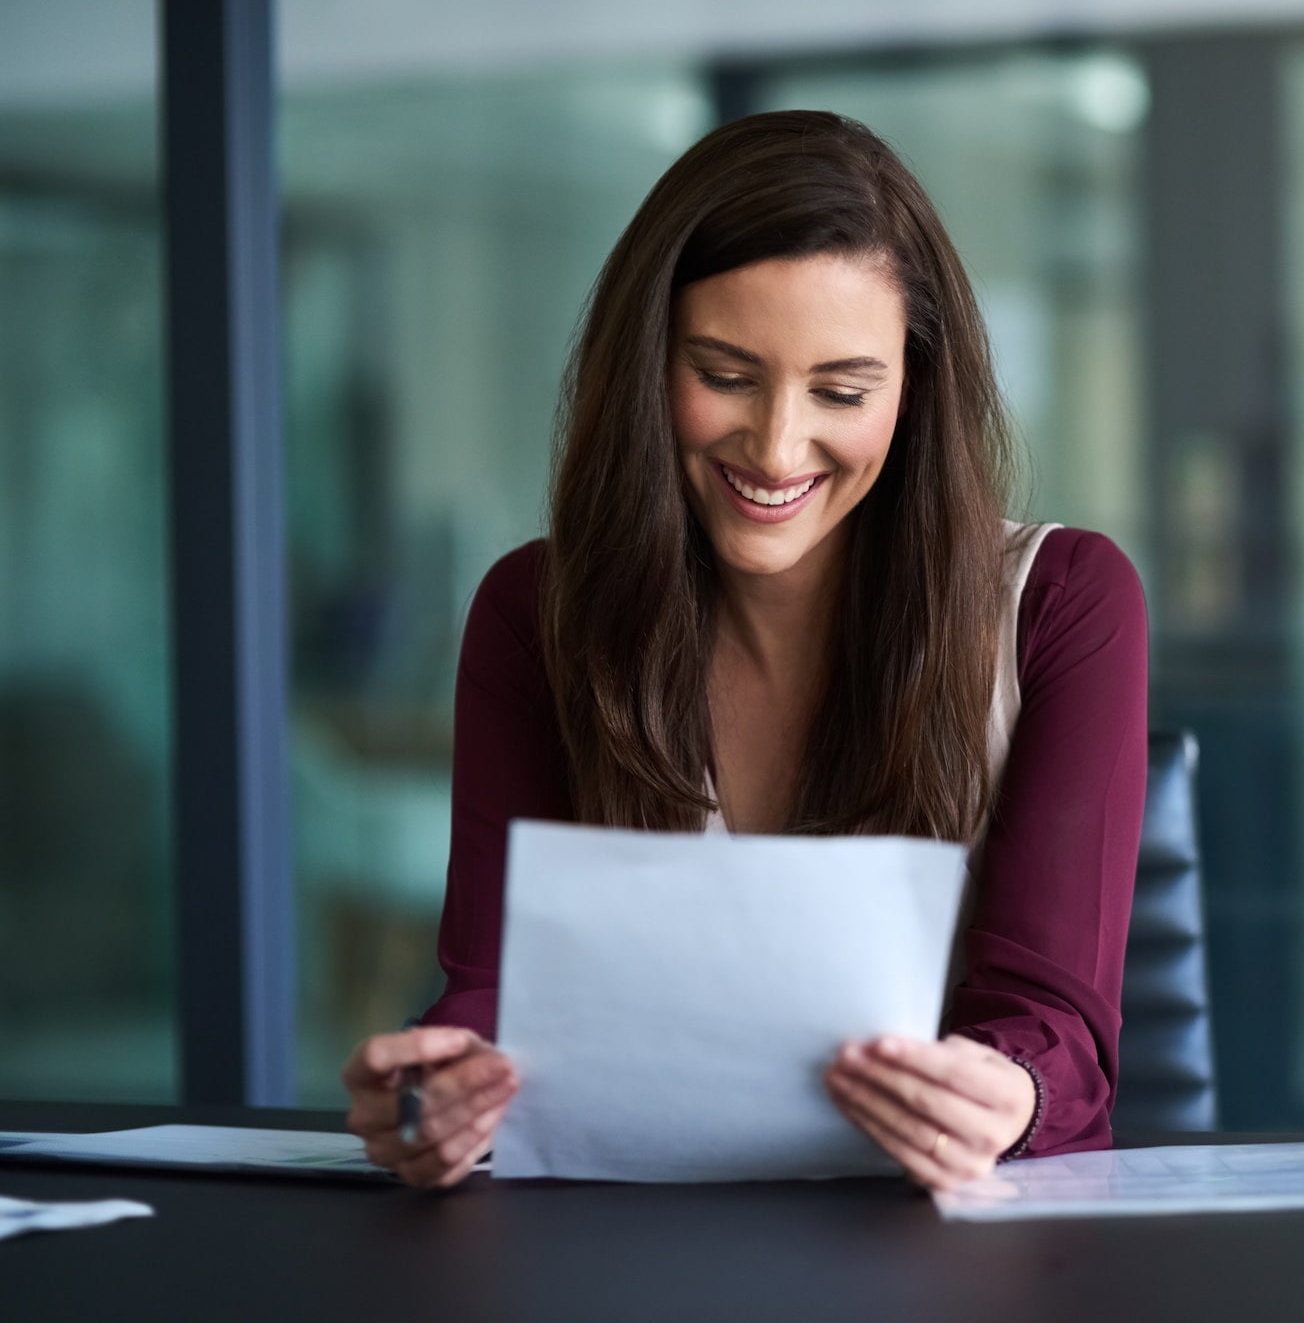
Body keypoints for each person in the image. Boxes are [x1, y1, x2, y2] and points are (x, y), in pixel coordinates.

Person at [340, 111, 1149, 1192]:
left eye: (841, 392)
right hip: (630, 1246)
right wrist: (440, 1090)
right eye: (723, 374)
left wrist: (1008, 1091)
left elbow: (1053, 1026)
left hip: (946, 1243)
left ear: (912, 394)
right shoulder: (535, 613)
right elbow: (496, 992)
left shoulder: (1062, 602)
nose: (775, 448)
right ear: (645, 363)